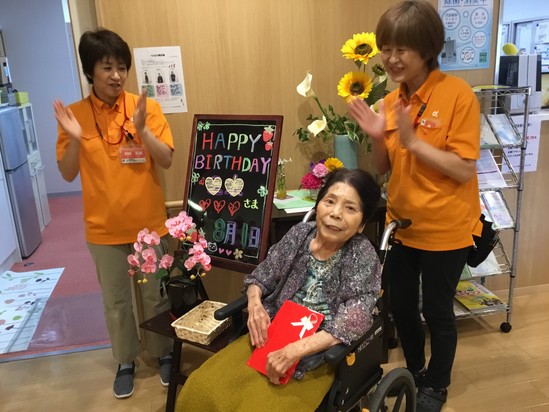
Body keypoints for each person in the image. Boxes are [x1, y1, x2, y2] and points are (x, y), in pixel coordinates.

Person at [348, 1, 482, 411]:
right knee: (402, 307)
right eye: (386, 48)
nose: (391, 58)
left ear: (426, 49)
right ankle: (415, 371)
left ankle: (436, 385)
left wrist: (412, 142)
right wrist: (377, 136)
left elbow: (463, 168)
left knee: (438, 312)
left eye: (401, 49)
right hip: (401, 227)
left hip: (446, 229)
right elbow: (383, 167)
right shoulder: (391, 101)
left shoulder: (457, 95)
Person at [176, 168, 382, 411]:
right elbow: (261, 276)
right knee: (200, 388)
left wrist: (296, 349)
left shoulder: (362, 254)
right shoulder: (299, 235)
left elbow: (355, 317)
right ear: (318, 206)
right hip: (271, 334)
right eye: (330, 201)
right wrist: (255, 306)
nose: (336, 213)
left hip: (319, 355)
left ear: (361, 224)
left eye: (350, 208)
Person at [53, 28, 175, 399]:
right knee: (116, 303)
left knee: (157, 296)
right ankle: (125, 361)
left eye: (122, 67)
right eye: (107, 67)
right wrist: (75, 139)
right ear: (91, 71)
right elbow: (67, 173)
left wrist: (142, 131)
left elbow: (166, 159)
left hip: (148, 226)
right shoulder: (74, 116)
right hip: (103, 231)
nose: (117, 75)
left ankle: (164, 354)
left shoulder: (144, 107)